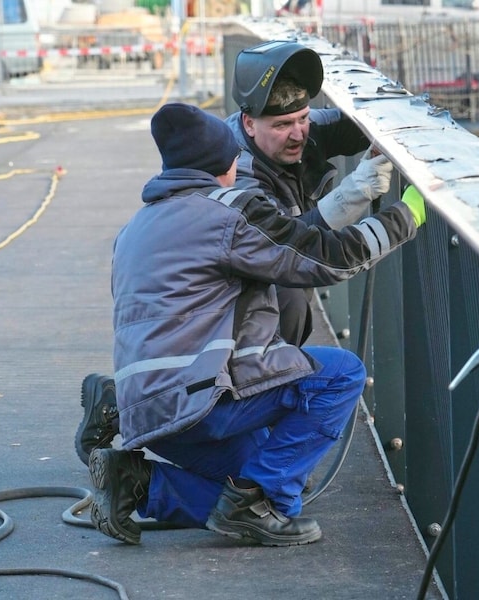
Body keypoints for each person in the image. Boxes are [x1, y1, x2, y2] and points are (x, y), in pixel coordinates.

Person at [87, 102, 426, 547]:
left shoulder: (136, 227)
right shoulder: (226, 212)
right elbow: (326, 257)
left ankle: (139, 482)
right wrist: (410, 213)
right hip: (199, 403)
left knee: (250, 481)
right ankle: (259, 501)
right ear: (226, 163)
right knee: (341, 376)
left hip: (146, 411)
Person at [75, 40, 394, 466]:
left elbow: (346, 125)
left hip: (166, 366)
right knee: (293, 304)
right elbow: (299, 252)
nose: (299, 132)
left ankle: (136, 465)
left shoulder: (157, 208)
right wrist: (376, 203)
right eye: (283, 125)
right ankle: (257, 434)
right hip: (200, 372)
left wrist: (389, 116)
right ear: (248, 124)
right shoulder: (231, 181)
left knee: (238, 475)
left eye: (303, 119)